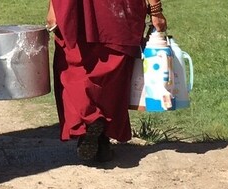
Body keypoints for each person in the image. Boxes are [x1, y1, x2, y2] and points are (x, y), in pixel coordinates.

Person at [47, 0, 168, 163]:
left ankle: (89, 122)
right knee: (113, 74)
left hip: (77, 8)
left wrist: (53, 8)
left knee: (75, 67)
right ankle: (102, 137)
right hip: (119, 10)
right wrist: (155, 10)